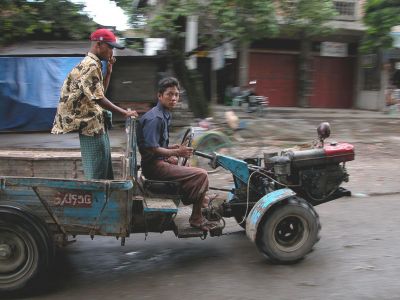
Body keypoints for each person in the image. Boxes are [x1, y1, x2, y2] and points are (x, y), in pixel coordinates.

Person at [52, 28, 138, 179]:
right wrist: (124, 113)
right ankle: (98, 199)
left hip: (95, 123)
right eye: (110, 47)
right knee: (97, 173)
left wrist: (109, 72)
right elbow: (99, 99)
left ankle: (104, 196)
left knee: (104, 165)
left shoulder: (95, 64)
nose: (112, 52)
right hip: (89, 126)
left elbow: (99, 93)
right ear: (99, 45)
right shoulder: (90, 65)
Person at [137, 77, 217, 232]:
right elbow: (152, 149)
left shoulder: (164, 113)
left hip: (158, 161)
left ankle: (200, 199)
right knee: (201, 175)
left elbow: (157, 145)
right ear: (160, 96)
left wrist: (172, 148)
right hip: (153, 166)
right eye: (169, 94)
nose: (174, 98)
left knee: (186, 165)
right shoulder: (155, 118)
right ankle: (196, 218)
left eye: (176, 95)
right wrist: (177, 151)